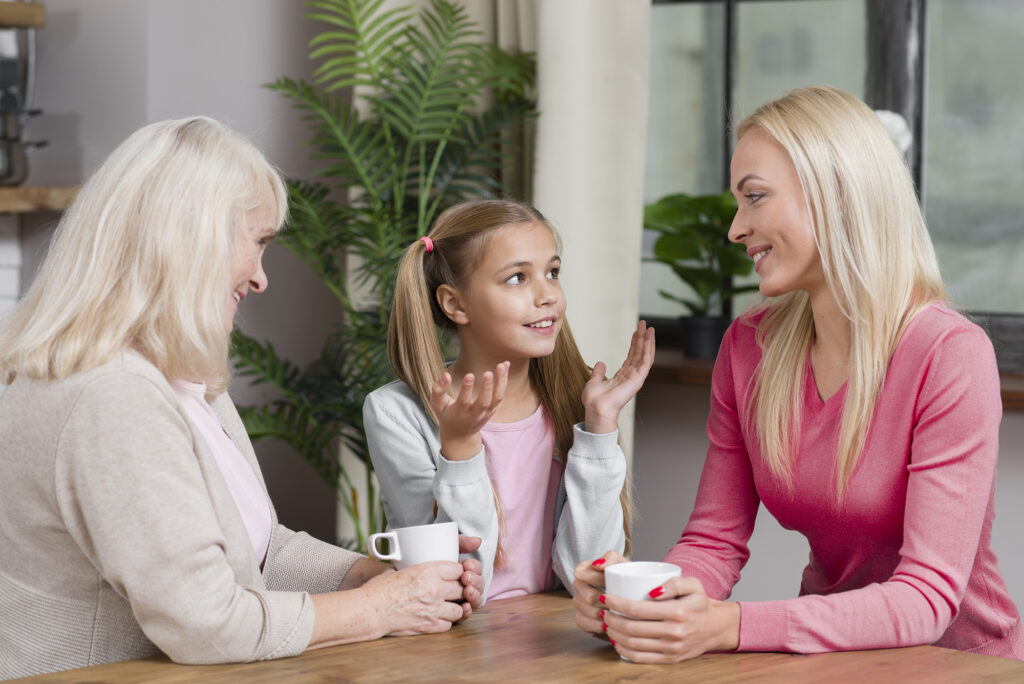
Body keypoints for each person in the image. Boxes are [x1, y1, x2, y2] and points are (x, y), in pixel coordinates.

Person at [0, 117, 484, 679]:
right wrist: (379, 608)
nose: (260, 278)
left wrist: (373, 576)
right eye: (257, 243)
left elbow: (259, 550)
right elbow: (205, 622)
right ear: (190, 240)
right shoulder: (111, 396)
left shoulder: (180, 373)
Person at [573, 85, 1023, 662]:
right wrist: (649, 605)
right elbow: (713, 542)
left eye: (755, 197)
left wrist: (731, 626)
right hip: (827, 661)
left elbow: (926, 598)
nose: (736, 229)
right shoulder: (749, 348)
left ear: (837, 193)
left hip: (958, 664)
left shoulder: (949, 354)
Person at [363, 198, 655, 601]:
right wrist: (461, 448)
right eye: (517, 278)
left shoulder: (576, 400)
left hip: (557, 632)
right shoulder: (396, 414)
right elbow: (454, 588)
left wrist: (600, 427)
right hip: (455, 635)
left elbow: (588, 574)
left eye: (552, 272)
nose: (548, 295)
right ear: (455, 304)